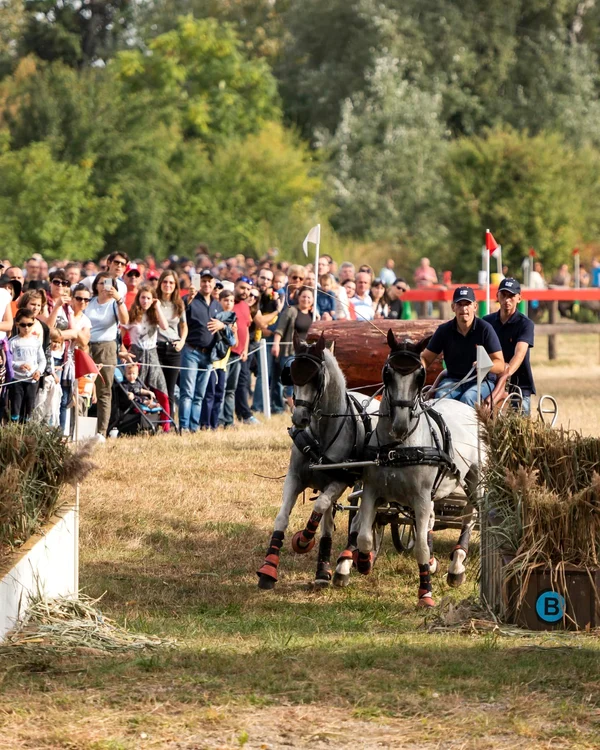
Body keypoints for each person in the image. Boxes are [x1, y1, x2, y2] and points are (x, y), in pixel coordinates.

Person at [421, 286, 504, 407]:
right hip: (452, 380)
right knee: (441, 397)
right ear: (453, 307)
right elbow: (426, 359)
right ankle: (444, 426)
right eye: (459, 304)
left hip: (481, 381)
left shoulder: (485, 329)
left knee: (468, 398)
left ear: (475, 306)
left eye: (467, 304)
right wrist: (413, 369)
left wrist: (484, 365)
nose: (464, 308)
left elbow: (500, 364)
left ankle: (467, 426)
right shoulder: (444, 330)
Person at [179, 270, 226, 433]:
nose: (206, 284)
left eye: (209, 281)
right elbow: (180, 317)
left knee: (200, 393)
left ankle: (194, 427)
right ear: (199, 283)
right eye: (203, 281)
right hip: (191, 351)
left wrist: (223, 325)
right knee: (188, 392)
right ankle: (184, 427)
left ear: (214, 284)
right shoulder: (189, 300)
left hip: (209, 354)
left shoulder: (217, 304)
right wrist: (188, 299)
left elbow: (227, 327)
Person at [483, 278, 535, 415]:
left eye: (511, 296)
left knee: (519, 430)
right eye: (504, 295)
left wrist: (505, 373)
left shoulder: (525, 324)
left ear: (519, 298)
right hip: (489, 383)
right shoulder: (486, 322)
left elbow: (519, 354)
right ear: (497, 297)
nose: (507, 300)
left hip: (518, 385)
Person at [86, 272, 129, 436]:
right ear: (96, 286)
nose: (105, 286)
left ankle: (101, 432)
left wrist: (119, 299)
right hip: (86, 345)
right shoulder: (88, 302)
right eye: (101, 283)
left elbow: (125, 320)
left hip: (106, 347)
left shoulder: (114, 304)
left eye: (108, 283)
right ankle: (79, 427)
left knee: (104, 389)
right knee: (84, 387)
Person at [124, 285, 170, 423]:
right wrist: (124, 352)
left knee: (160, 387)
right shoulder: (131, 314)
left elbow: (165, 326)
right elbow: (121, 335)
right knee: (137, 387)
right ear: (138, 299)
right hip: (136, 352)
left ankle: (165, 423)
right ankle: (139, 421)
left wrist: (157, 307)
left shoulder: (154, 313)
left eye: (148, 298)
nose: (145, 301)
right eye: (143, 297)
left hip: (152, 353)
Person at [272, 286, 315, 410]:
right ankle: (293, 407)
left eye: (308, 297)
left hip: (306, 354)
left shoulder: (313, 315)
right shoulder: (291, 311)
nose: (306, 299)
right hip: (290, 351)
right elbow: (280, 329)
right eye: (303, 296)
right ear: (298, 297)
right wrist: (276, 344)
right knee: (291, 379)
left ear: (312, 299)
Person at [200, 289, 237, 430]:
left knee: (219, 395)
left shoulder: (232, 319)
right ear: (219, 301)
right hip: (212, 363)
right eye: (226, 300)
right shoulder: (216, 317)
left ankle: (215, 424)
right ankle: (205, 423)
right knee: (209, 394)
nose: (228, 303)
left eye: (231, 301)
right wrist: (225, 327)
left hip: (223, 364)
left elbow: (234, 343)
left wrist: (229, 330)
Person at [220, 276, 253, 428]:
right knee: (221, 387)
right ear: (235, 287)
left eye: (247, 289)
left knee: (231, 389)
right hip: (225, 353)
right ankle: (218, 420)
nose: (245, 291)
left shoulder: (246, 306)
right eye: (242, 288)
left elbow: (245, 328)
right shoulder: (228, 303)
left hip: (239, 353)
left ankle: (229, 420)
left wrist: (245, 349)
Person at [156, 270, 188, 419]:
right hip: (156, 347)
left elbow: (184, 326)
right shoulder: (154, 301)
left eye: (171, 283)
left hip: (174, 348)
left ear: (175, 286)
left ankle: (168, 421)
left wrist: (182, 341)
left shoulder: (178, 303)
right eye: (165, 282)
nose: (168, 285)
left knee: (170, 388)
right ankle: (154, 419)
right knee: (157, 387)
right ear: (160, 283)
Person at [8, 308, 46, 423]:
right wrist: (19, 365)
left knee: (29, 408)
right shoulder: (13, 342)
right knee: (16, 408)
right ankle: (14, 430)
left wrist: (38, 371)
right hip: (17, 380)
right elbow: (9, 361)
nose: (26, 328)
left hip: (31, 380)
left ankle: (25, 431)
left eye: (29, 324)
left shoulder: (36, 342)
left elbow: (42, 360)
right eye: (23, 325)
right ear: (17, 325)